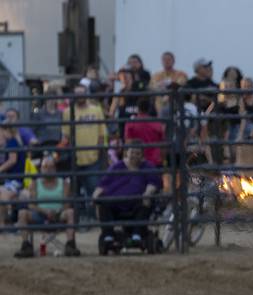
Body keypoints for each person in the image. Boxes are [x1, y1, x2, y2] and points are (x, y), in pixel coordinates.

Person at [93, 141, 161, 247]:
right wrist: (95, 196)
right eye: (132, 152)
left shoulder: (147, 166)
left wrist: (147, 193)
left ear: (142, 155)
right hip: (115, 204)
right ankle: (108, 236)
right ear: (126, 153)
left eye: (137, 153)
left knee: (145, 201)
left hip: (136, 204)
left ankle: (137, 235)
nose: (134, 155)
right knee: (102, 202)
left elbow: (153, 183)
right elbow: (103, 184)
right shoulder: (117, 166)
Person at [14, 156, 80, 258]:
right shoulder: (35, 184)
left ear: (55, 169)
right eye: (45, 167)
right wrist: (45, 211)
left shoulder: (64, 183)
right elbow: (31, 204)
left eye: (51, 167)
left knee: (70, 212)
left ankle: (70, 245)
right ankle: (25, 246)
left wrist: (57, 211)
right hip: (40, 215)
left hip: (59, 215)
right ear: (41, 169)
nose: (48, 169)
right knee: (22, 213)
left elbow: (67, 203)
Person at [62, 85, 108, 216]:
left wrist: (100, 150)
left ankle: (92, 217)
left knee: (93, 188)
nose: (79, 96)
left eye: (81, 93)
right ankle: (77, 217)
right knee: (75, 191)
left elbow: (102, 132)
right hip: (74, 157)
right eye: (77, 94)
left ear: (86, 94)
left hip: (93, 157)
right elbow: (65, 134)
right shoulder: (67, 112)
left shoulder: (96, 110)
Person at [124, 98, 165, 168]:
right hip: (155, 162)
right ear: (149, 109)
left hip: (136, 162)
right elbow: (163, 145)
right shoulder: (157, 123)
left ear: (138, 109)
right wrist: (162, 159)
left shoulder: (131, 123)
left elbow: (127, 143)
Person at [0, 124, 26, 225]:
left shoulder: (12, 142)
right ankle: (3, 222)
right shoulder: (15, 141)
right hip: (14, 180)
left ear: (5, 131)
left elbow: (12, 160)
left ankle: (7, 220)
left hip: (15, 181)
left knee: (2, 193)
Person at [151, 51, 189, 117]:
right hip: (160, 104)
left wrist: (165, 85)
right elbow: (153, 87)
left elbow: (179, 84)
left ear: (174, 61)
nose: (166, 61)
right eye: (164, 59)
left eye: (169, 59)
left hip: (176, 103)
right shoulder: (156, 75)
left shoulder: (181, 74)